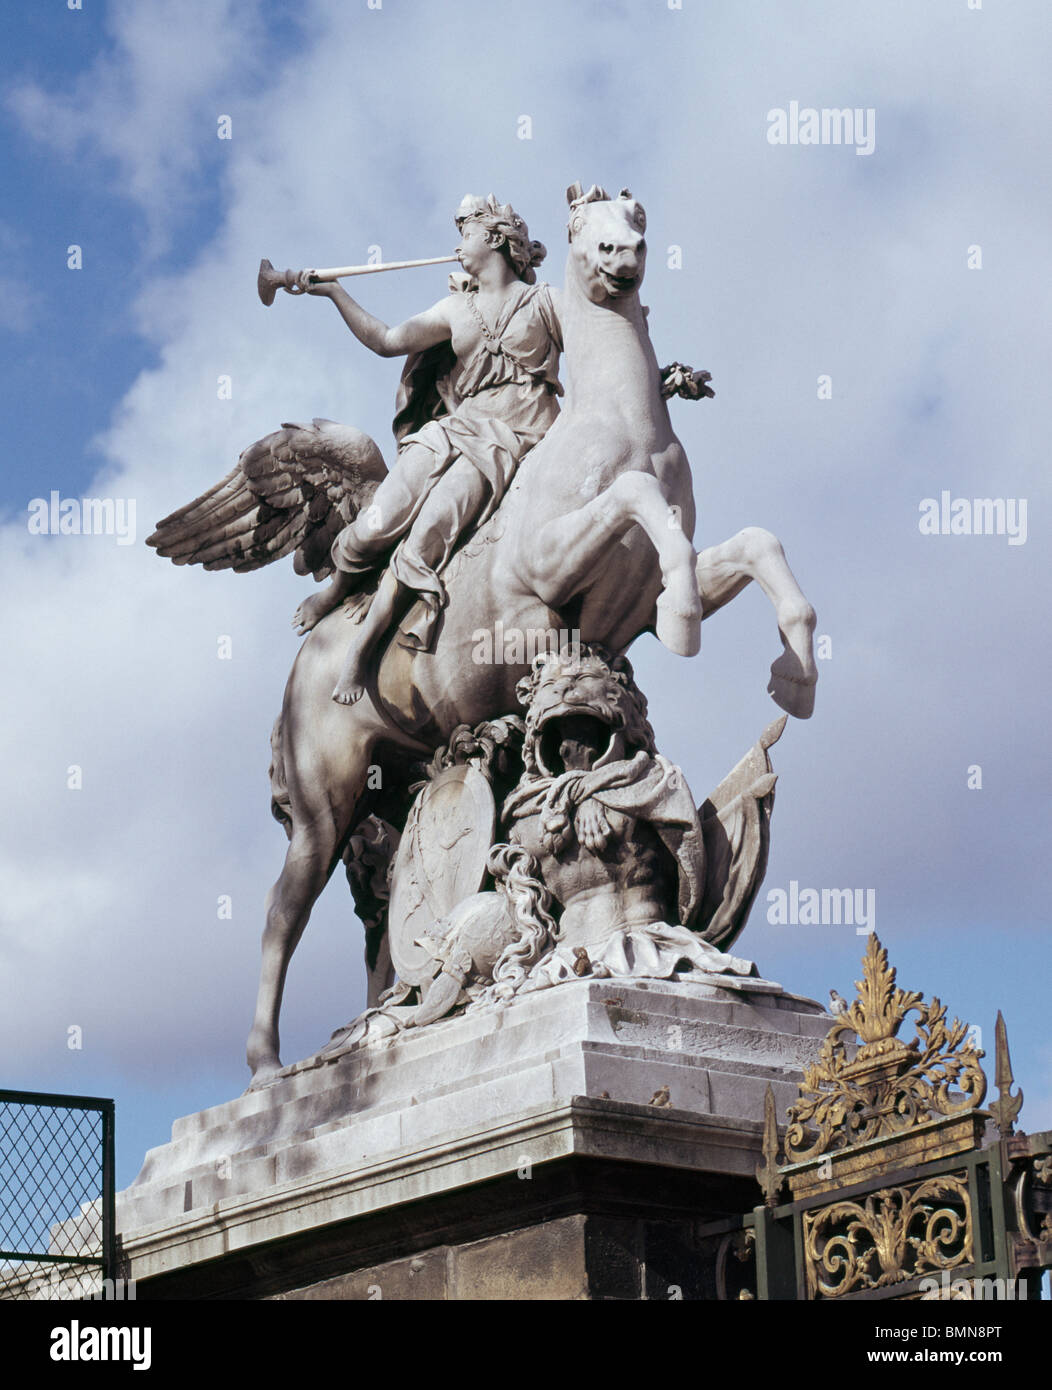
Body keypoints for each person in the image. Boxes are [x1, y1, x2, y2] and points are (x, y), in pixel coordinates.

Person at [291, 194, 563, 704]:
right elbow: (388, 340)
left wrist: (656, 380)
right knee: (377, 520)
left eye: (466, 233)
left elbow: (601, 342)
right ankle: (335, 587)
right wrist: (334, 292)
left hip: (509, 436)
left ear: (496, 239)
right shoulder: (456, 309)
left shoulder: (546, 301)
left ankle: (362, 652)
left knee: (427, 532)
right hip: (454, 428)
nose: (458, 245)